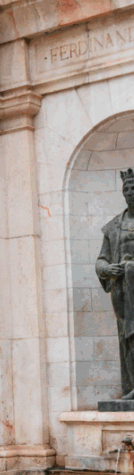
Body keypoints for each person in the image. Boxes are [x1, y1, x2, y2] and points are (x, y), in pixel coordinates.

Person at [95, 168, 134, 399]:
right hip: (122, 291)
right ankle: (131, 388)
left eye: (133, 188)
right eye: (126, 189)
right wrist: (108, 268)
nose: (130, 192)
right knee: (126, 338)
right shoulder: (113, 226)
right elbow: (101, 259)